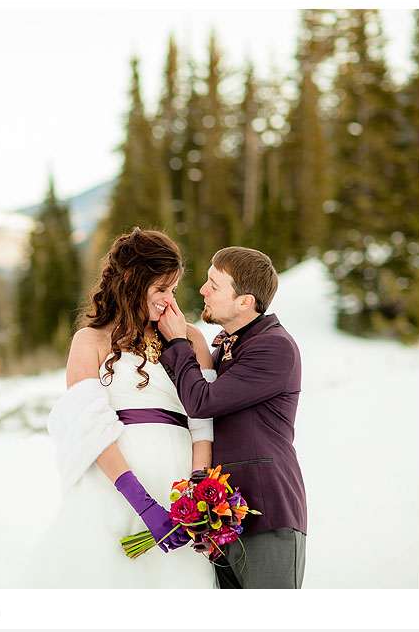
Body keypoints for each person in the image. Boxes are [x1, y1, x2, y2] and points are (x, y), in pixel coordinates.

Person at [20, 227, 217, 588]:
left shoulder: (191, 338)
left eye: (173, 290)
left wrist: (198, 494)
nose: (168, 300)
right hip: (114, 492)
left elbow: (203, 422)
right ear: (130, 281)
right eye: (160, 289)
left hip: (179, 494)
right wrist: (141, 503)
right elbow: (89, 427)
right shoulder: (90, 340)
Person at [157, 246, 307, 589]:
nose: (202, 290)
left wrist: (179, 342)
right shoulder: (227, 346)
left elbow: (201, 401)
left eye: (214, 284)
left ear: (245, 302)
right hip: (222, 518)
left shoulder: (274, 347)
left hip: (267, 513)